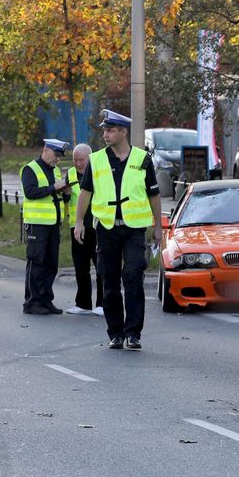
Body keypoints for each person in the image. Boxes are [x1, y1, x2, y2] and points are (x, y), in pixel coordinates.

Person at [73, 110, 163, 351]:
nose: (105, 134)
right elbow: (85, 193)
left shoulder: (143, 159)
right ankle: (115, 333)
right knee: (109, 280)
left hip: (134, 229)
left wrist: (158, 226)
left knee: (133, 276)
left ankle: (133, 333)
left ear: (123, 131)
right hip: (106, 229)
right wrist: (79, 222)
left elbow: (153, 194)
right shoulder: (97, 159)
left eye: (110, 130)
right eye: (104, 130)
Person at [20, 139, 70, 315]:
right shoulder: (30, 169)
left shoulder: (54, 170)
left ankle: (46, 299)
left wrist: (65, 193)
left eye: (59, 157)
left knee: (51, 264)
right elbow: (30, 192)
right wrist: (53, 188)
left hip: (53, 223)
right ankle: (32, 302)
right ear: (45, 150)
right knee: (36, 262)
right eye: (56, 155)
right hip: (37, 224)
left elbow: (54, 196)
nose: (57, 159)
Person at [65, 143, 104, 316]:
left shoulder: (99, 172)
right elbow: (67, 199)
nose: (78, 164)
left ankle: (102, 304)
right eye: (75, 160)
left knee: (101, 266)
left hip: (98, 226)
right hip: (77, 227)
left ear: (90, 158)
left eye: (82, 160)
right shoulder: (70, 174)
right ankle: (83, 303)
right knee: (80, 267)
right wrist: (65, 193)